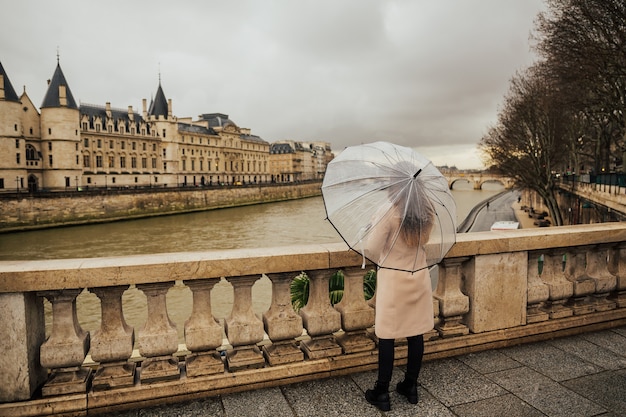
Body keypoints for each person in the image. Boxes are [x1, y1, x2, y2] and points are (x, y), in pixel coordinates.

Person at [363, 177, 436, 412]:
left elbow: (372, 250)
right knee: (416, 333)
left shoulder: (388, 210)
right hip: (419, 275)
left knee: (387, 335)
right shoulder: (426, 209)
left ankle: (381, 391)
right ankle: (410, 386)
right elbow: (422, 240)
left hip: (394, 278)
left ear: (397, 186)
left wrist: (371, 228)